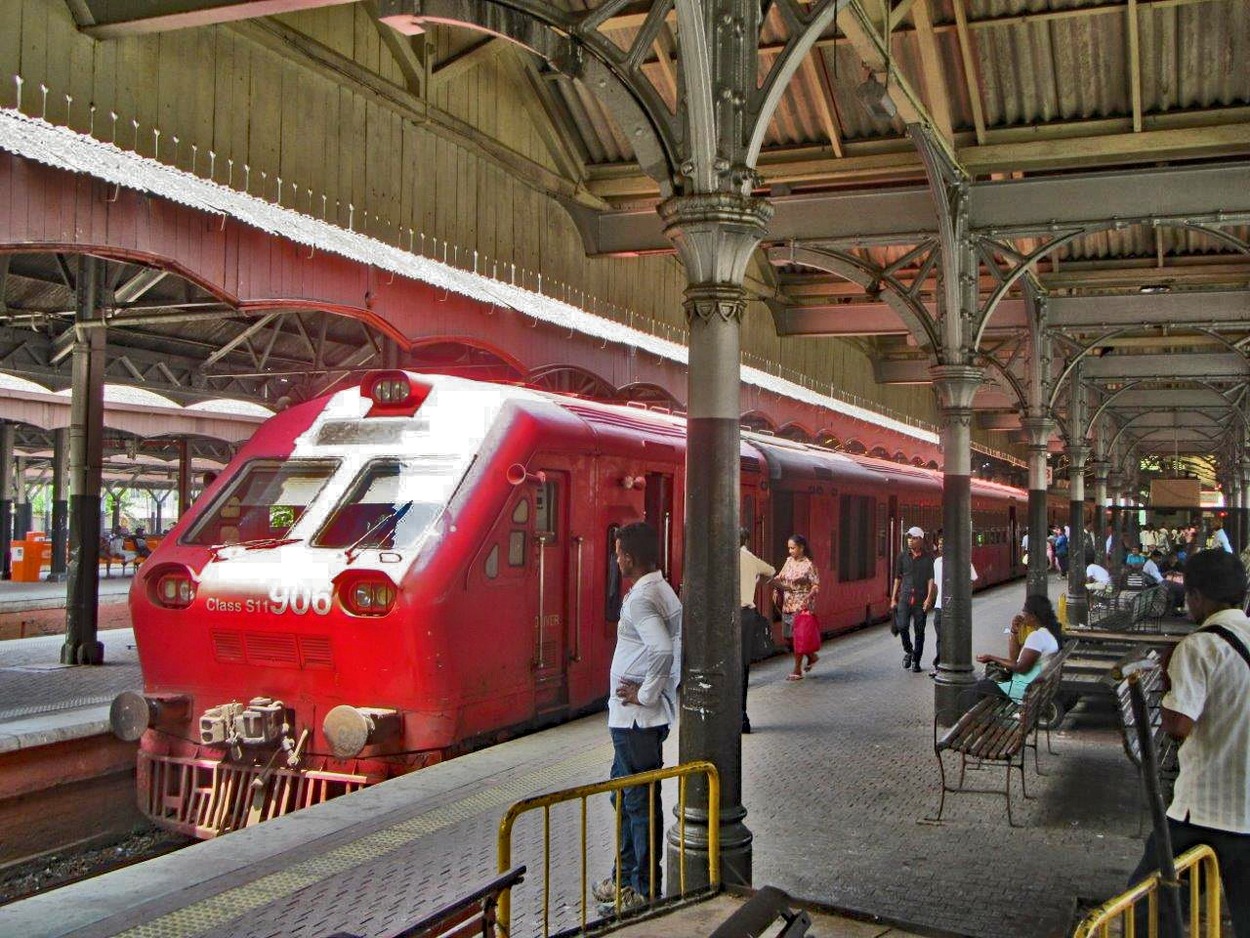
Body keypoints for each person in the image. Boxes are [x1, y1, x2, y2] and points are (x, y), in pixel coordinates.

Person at [1126, 549, 1250, 937]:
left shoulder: (1198, 647)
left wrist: (1168, 680)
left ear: (1196, 596)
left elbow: (1178, 725)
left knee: (1147, 909)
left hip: (1204, 810)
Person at [592, 521, 682, 915]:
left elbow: (662, 650)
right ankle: (624, 878)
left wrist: (645, 694)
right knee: (624, 795)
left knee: (639, 803)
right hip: (636, 720)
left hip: (636, 721)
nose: (616, 560)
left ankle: (642, 889)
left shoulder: (644, 598)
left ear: (629, 556)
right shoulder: (660, 589)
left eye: (618, 554)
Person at [970, 594, 1063, 703]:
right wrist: (1014, 631)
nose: (1022, 613)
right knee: (986, 684)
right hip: (1035, 686)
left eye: (1024, 611)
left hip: (1023, 690)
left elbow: (1020, 667)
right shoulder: (1049, 633)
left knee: (978, 687)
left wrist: (991, 658)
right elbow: (1014, 658)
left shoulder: (1037, 637)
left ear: (1033, 616)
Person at [738, 529, 775, 734]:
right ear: (746, 540)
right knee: (742, 668)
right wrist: (755, 584)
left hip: (723, 618)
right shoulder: (748, 557)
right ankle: (741, 716)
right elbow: (771, 571)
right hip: (745, 616)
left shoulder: (721, 556)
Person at [771, 534, 820, 681]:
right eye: (789, 548)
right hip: (787, 604)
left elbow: (816, 585)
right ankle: (812, 656)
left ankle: (797, 670)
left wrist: (809, 595)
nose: (790, 551)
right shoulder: (788, 561)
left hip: (801, 605)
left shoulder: (809, 565)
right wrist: (775, 588)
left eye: (793, 548)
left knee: (797, 637)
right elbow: (780, 577)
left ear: (801, 548)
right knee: (788, 637)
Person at [930, 533, 977, 677]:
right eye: (939, 544)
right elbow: (936, 584)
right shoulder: (937, 562)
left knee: (955, 637)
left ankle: (955, 663)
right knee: (940, 636)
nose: (940, 546)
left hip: (956, 607)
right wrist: (931, 600)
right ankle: (939, 665)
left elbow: (971, 581)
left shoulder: (963, 561)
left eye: (943, 543)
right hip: (940, 605)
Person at [890, 526, 935, 674]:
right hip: (905, 597)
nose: (910, 540)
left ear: (921, 540)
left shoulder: (928, 558)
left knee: (919, 630)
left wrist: (929, 598)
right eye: (909, 538)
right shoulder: (902, 557)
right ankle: (909, 651)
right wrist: (893, 598)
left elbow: (930, 579)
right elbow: (898, 578)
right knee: (902, 626)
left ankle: (916, 660)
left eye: (914, 538)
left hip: (920, 599)